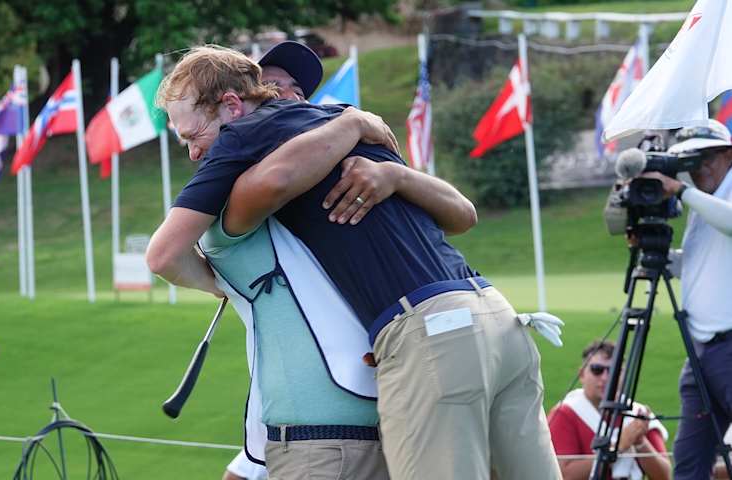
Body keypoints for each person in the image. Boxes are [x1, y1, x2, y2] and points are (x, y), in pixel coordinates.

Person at [150, 45, 562, 480]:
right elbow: (464, 216)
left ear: (233, 105)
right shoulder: (347, 121)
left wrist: (219, 284)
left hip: (429, 333)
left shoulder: (243, 136)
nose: (195, 154)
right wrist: (360, 129)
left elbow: (164, 254)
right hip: (498, 317)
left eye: (192, 137)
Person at [637, 119, 732, 480]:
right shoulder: (703, 203)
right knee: (690, 461)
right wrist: (654, 252)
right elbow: (699, 263)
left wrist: (679, 190)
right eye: (690, 161)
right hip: (702, 351)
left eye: (705, 158)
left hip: (728, 344)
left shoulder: (705, 199)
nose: (699, 169)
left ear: (728, 154)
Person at [547, 340, 670, 480]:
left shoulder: (637, 414)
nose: (606, 378)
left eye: (614, 371)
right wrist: (617, 447)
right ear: (582, 374)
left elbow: (664, 476)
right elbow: (563, 475)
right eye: (597, 370)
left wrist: (640, 442)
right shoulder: (565, 413)